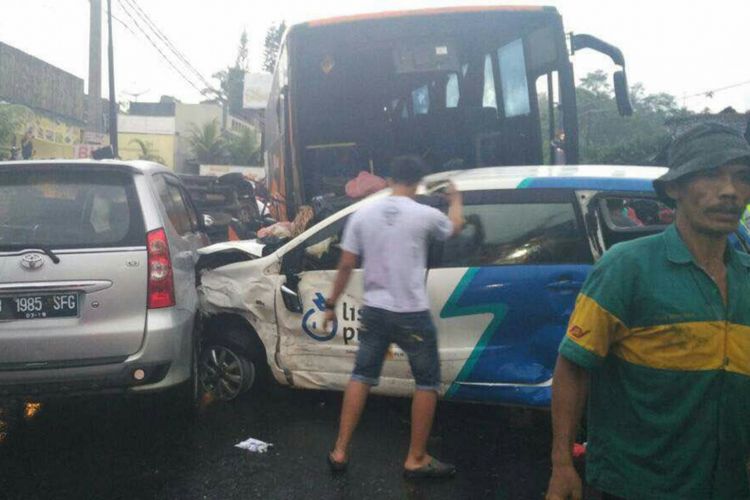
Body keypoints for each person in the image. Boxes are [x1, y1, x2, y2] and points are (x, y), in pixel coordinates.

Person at [546, 122, 750, 500]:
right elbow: (573, 367)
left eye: (742, 177)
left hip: (728, 485)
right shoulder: (627, 267)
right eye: (709, 175)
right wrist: (562, 465)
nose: (730, 191)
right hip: (637, 485)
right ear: (674, 189)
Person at [323, 155, 464, 479]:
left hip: (375, 312)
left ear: (389, 180)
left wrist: (331, 304)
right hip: (411, 314)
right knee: (427, 382)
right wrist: (455, 201)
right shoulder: (425, 214)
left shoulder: (363, 214)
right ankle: (415, 458)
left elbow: (345, 265)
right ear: (417, 183)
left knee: (361, 376)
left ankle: (340, 451)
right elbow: (454, 228)